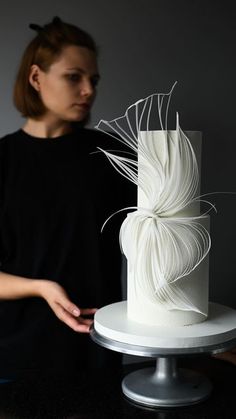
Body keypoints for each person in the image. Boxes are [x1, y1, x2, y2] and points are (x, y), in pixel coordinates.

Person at [0, 16, 129, 376]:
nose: (89, 90)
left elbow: (167, 244)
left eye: (94, 80)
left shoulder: (114, 157)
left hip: (96, 350)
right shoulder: (4, 161)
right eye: (74, 77)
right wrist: (41, 288)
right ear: (36, 77)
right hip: (14, 356)